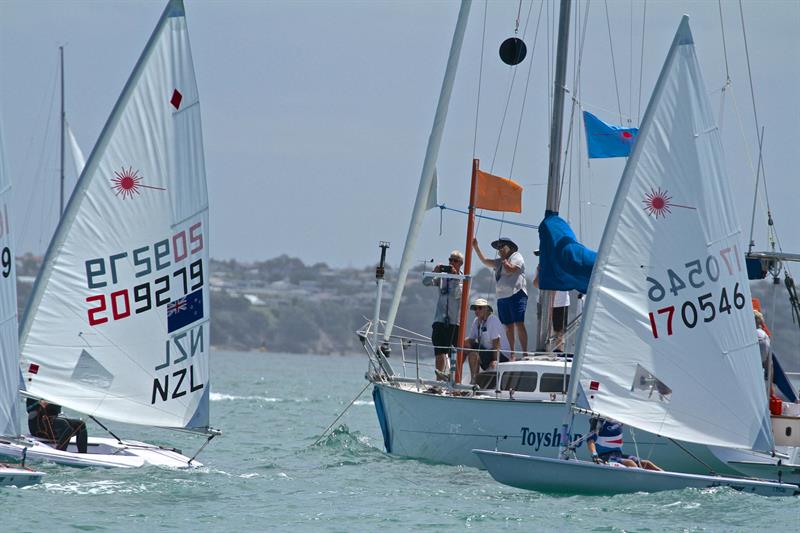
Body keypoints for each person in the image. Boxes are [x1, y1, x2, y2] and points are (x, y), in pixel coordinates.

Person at [472, 236, 528, 356]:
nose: (500, 249)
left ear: (510, 247)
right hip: (503, 297)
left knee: (519, 323)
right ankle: (512, 353)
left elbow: (511, 269)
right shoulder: (499, 261)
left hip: (516, 293)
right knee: (508, 326)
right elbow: (485, 261)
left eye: (502, 246)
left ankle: (525, 353)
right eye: (498, 247)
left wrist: (505, 262)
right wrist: (476, 247)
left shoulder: (516, 256)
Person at [422, 250, 463, 380]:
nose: (451, 263)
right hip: (440, 320)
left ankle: (453, 381)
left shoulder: (462, 279)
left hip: (453, 323)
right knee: (439, 352)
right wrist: (435, 272)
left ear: (461, 264)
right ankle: (438, 383)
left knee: (452, 355)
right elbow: (426, 282)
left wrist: (455, 278)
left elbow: (458, 294)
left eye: (455, 261)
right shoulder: (443, 278)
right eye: (450, 260)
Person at [464, 298, 512, 384]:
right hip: (487, 351)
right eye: (475, 308)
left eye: (479, 308)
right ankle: (455, 373)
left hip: (500, 354)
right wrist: (462, 344)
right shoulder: (476, 321)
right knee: (464, 343)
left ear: (486, 309)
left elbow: (496, 342)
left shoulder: (492, 320)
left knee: (472, 355)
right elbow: (471, 339)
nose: (476, 310)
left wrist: (495, 360)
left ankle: (474, 382)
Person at [586, 417, 661, 470]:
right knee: (630, 463)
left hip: (619, 455)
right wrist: (594, 455)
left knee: (646, 464)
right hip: (604, 457)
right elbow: (590, 440)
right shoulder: (599, 421)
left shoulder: (619, 419)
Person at [532, 255, 570, 352]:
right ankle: (544, 349)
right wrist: (540, 271)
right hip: (544, 303)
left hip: (560, 303)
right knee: (543, 328)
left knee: (559, 329)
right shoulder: (540, 267)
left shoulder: (561, 266)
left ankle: (559, 350)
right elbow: (535, 284)